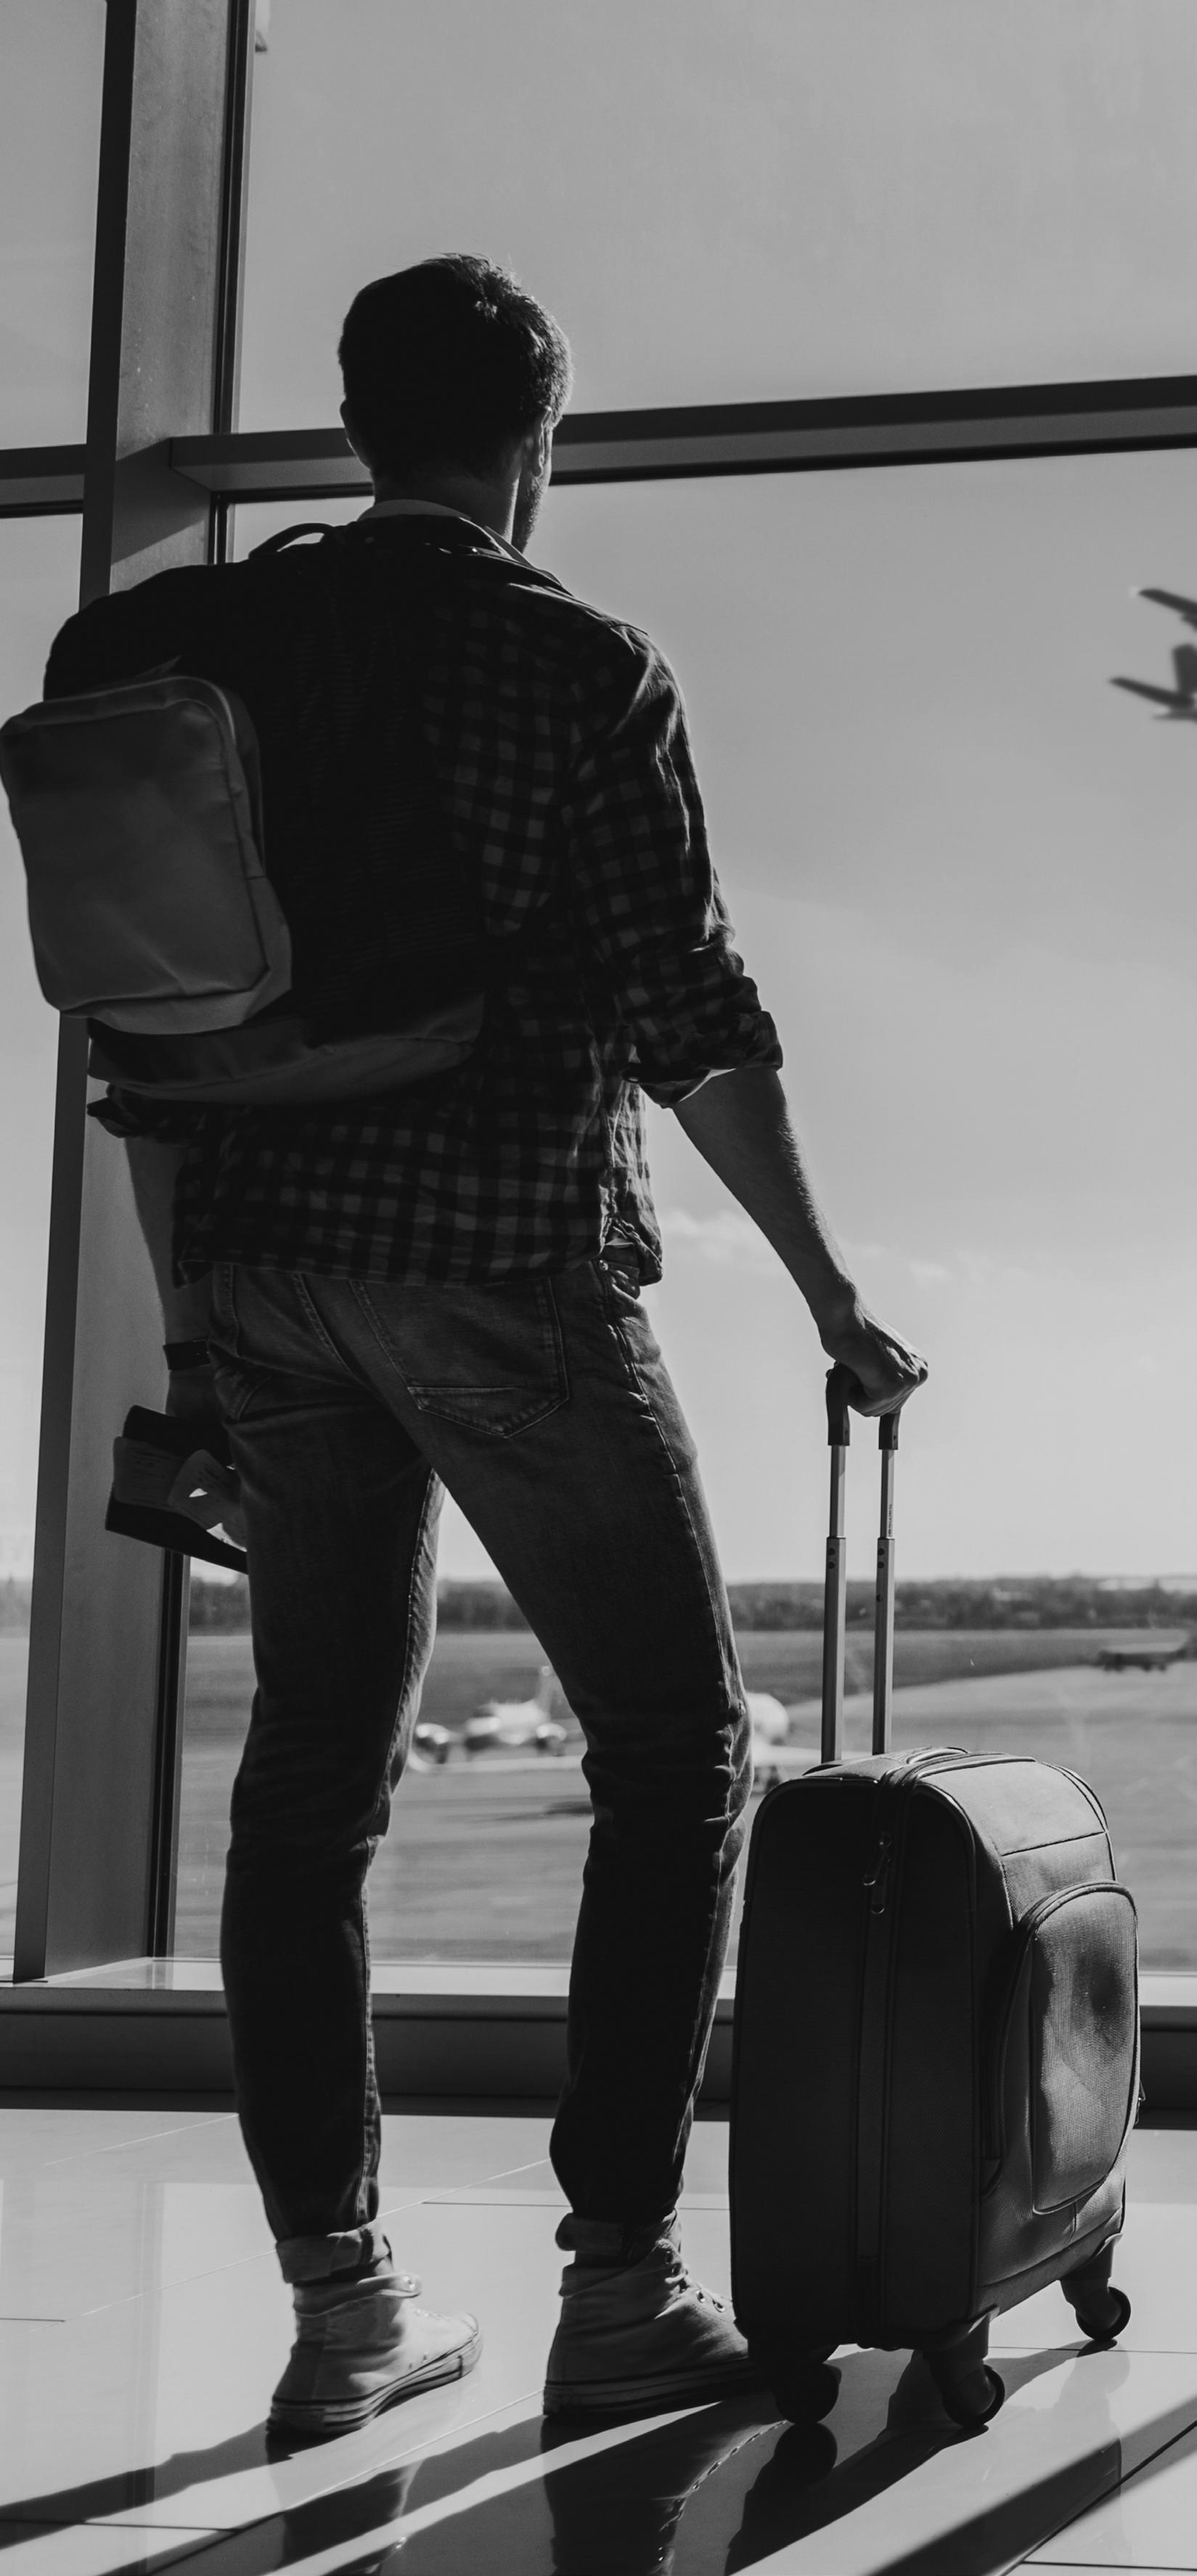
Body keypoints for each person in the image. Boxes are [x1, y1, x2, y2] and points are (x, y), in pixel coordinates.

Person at [44, 256, 926, 2442]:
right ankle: (616, 2283)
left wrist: (194, 1332)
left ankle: (341, 2309)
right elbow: (689, 1015)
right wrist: (826, 1290)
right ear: (541, 437)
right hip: (499, 1265)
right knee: (678, 1746)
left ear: (356, 428)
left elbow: (143, 1045)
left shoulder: (198, 655)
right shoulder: (575, 663)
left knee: (308, 1784)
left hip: (260, 1276)